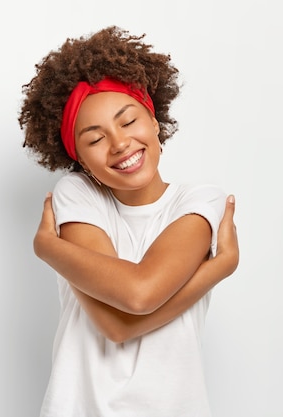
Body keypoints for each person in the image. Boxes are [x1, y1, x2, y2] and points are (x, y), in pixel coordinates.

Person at [17, 26, 239, 417]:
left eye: (128, 121)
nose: (119, 143)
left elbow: (136, 298)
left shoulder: (200, 200)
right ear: (81, 160)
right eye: (94, 138)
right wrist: (217, 269)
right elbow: (119, 321)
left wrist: (50, 250)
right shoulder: (77, 195)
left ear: (154, 122)